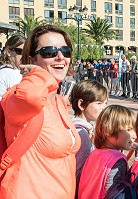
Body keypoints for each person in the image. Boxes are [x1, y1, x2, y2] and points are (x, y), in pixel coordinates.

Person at [0, 24, 81, 198]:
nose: (60, 57)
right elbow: (31, 97)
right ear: (32, 60)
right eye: (49, 52)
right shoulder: (15, 97)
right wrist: (40, 75)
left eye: (65, 51)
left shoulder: (58, 101)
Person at [78, 105, 136, 199]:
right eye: (129, 130)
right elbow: (115, 195)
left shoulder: (94, 153)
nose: (134, 135)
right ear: (108, 130)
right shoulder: (118, 160)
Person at [69, 79, 108, 198]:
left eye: (105, 103)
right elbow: (79, 173)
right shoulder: (82, 134)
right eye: (99, 103)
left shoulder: (72, 125)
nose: (104, 107)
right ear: (81, 104)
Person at [0, 35, 26, 100]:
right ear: (8, 52)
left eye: (26, 52)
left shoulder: (3, 70)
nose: (24, 56)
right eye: (20, 51)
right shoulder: (12, 74)